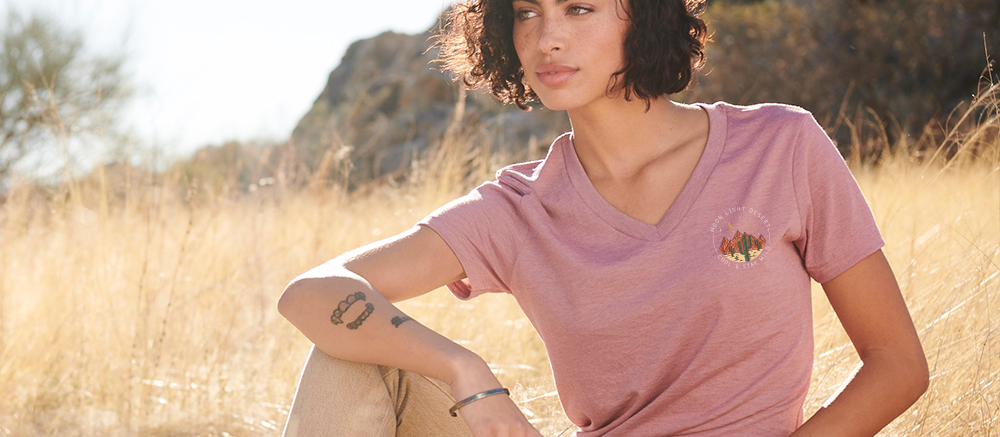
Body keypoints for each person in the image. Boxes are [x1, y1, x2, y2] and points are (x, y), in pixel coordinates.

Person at [276, 0, 929, 435]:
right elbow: (310, 291)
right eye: (527, 12)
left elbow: (898, 362)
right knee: (346, 355)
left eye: (579, 7)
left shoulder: (780, 147)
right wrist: (464, 369)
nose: (547, 37)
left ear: (639, 16)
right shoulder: (517, 208)